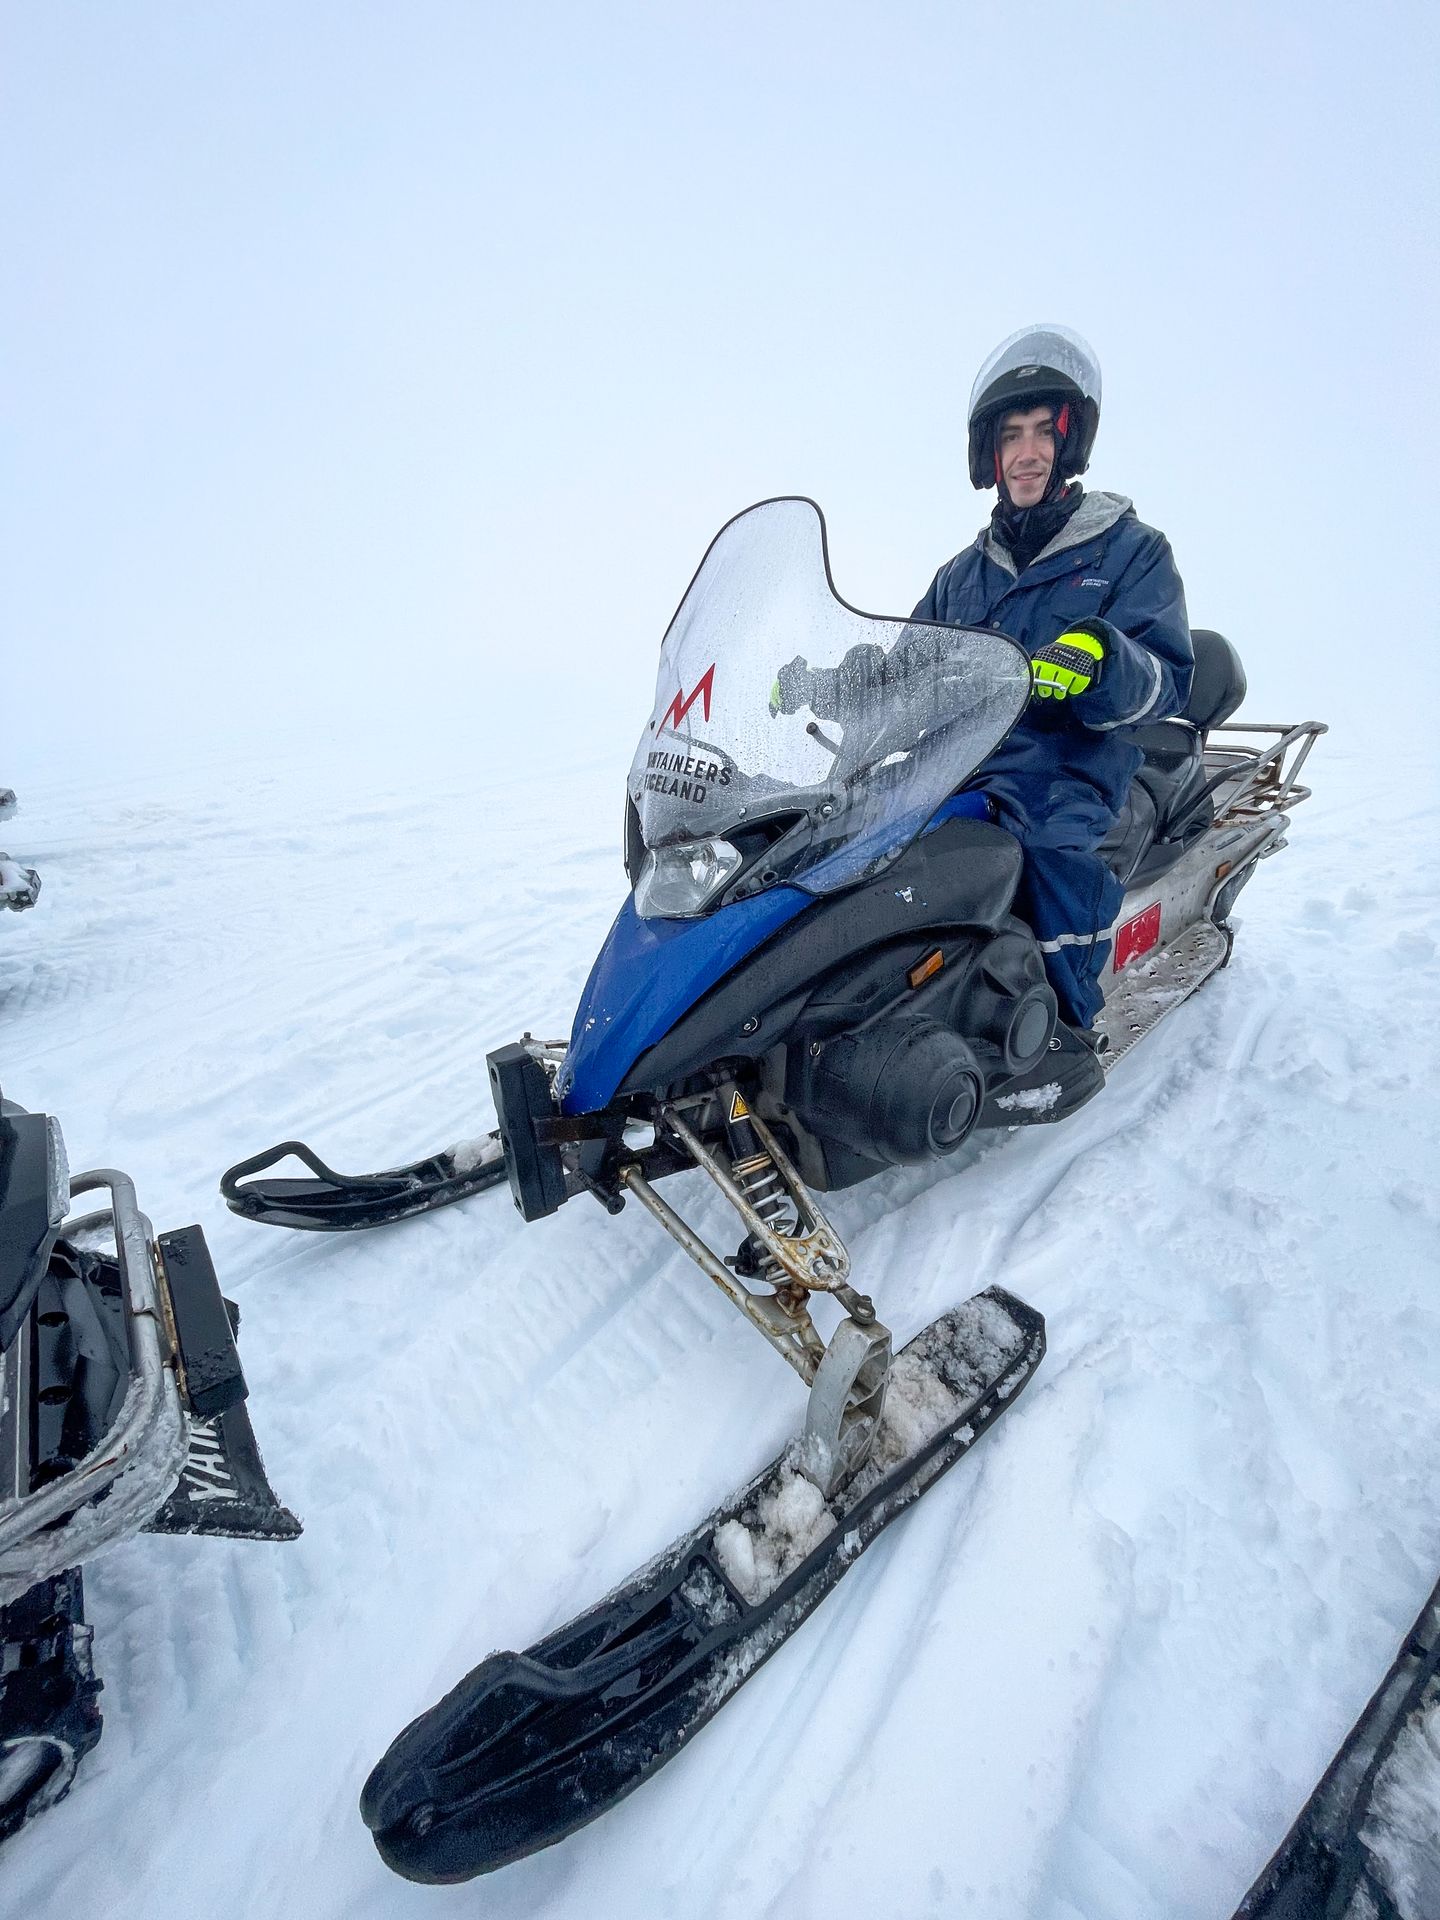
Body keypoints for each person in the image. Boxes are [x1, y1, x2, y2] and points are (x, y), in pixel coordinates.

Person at [911, 323, 1193, 1033]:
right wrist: (834, 680)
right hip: (965, 767)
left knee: (1042, 851)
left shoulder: (1130, 550)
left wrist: (1101, 656)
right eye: (1012, 436)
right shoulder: (960, 576)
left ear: (1068, 442)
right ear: (991, 452)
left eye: (1043, 432)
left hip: (1072, 768)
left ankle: (1062, 1027)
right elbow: (908, 663)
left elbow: (1166, 676)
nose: (1028, 453)